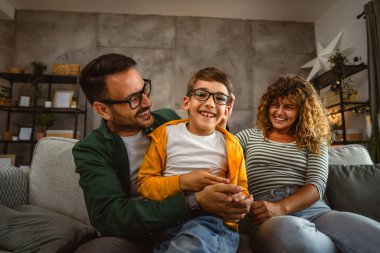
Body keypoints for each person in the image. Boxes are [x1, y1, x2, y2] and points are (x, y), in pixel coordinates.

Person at [73, 53, 253, 253]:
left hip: (197, 226)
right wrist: (194, 201)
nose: (147, 102)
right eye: (133, 99)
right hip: (137, 235)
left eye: (144, 90)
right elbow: (110, 217)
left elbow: (211, 145)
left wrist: (223, 111)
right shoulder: (91, 149)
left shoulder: (166, 121)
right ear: (103, 110)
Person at [236, 75, 380, 253]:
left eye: (288, 107)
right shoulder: (248, 136)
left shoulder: (312, 140)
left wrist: (280, 207)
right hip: (269, 217)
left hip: (316, 212)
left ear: (302, 111)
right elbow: (220, 152)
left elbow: (316, 185)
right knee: (288, 235)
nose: (279, 112)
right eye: (275, 105)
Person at [138, 67, 249, 253]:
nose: (210, 103)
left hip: (210, 223)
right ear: (186, 102)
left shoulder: (231, 144)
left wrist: (241, 199)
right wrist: (183, 181)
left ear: (227, 109)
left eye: (219, 98)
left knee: (188, 247)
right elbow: (145, 185)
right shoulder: (164, 134)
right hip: (167, 221)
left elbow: (241, 187)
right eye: (201, 94)